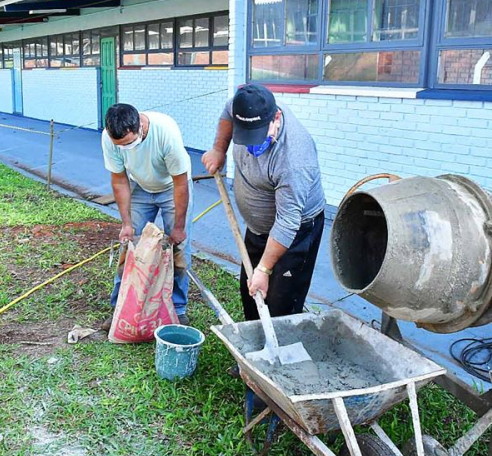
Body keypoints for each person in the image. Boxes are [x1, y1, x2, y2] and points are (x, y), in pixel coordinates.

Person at [202, 84, 325, 325]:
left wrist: (265, 269)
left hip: (296, 232)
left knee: (281, 304)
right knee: (251, 290)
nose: (252, 146)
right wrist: (219, 149)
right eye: (246, 135)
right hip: (258, 229)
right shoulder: (243, 107)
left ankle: (279, 357)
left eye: (257, 135)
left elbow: (288, 222)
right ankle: (253, 352)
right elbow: (228, 113)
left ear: (276, 118)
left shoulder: (295, 159)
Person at [101, 103, 193, 326]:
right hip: (140, 186)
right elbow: (119, 180)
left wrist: (178, 227)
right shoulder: (109, 137)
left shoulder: (165, 133)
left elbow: (180, 183)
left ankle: (178, 308)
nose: (126, 149)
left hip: (172, 187)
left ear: (140, 126)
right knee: (130, 245)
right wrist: (126, 223)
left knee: (178, 247)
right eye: (120, 146)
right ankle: (120, 306)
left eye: (130, 143)